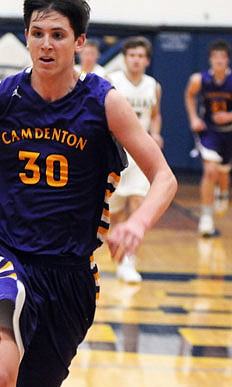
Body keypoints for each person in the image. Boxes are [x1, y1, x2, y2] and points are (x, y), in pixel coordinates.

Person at [0, 1, 177, 387]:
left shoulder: (104, 103)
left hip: (70, 275)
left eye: (57, 35)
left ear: (79, 41)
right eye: (37, 34)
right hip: (6, 254)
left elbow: (164, 176)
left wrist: (138, 224)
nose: (46, 44)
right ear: (26, 37)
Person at [108, 36, 163, 283]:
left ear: (147, 60)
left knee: (137, 204)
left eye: (141, 56)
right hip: (116, 152)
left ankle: (129, 260)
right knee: (116, 213)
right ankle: (120, 257)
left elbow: (156, 114)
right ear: (125, 58)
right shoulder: (112, 81)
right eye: (132, 55)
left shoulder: (154, 85)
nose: (136, 60)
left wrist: (156, 133)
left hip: (140, 152)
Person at [185, 39, 232, 237]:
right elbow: (189, 95)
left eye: (222, 57)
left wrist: (229, 116)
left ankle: (223, 193)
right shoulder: (199, 79)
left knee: (223, 174)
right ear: (210, 60)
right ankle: (206, 217)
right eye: (215, 57)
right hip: (209, 131)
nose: (219, 61)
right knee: (210, 170)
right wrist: (194, 117)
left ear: (227, 60)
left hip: (229, 132)